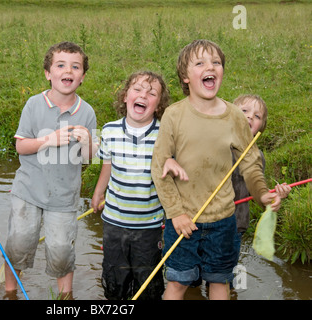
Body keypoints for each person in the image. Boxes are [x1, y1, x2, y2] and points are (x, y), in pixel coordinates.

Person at [151, 39, 281, 300]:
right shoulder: (174, 115)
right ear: (186, 77)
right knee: (177, 283)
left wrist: (263, 193)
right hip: (183, 222)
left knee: (219, 283)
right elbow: (159, 167)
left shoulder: (234, 116)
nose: (210, 67)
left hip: (224, 222)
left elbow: (250, 163)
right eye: (200, 63)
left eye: (216, 62)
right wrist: (176, 213)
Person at [4, 41, 98, 300]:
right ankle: (9, 292)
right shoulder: (34, 104)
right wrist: (49, 139)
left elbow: (90, 158)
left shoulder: (87, 112)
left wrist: (88, 142)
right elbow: (21, 147)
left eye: (75, 66)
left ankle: (65, 299)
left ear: (82, 76)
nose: (68, 71)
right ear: (48, 73)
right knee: (19, 242)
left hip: (64, 196)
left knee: (60, 250)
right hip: (28, 191)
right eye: (60, 65)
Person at [91, 71, 169, 300]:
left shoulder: (164, 134)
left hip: (150, 224)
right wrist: (98, 192)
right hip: (114, 221)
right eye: (137, 89)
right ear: (126, 96)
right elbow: (107, 166)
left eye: (151, 93)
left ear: (158, 105)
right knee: (115, 279)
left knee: (148, 282)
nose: (143, 95)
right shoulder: (109, 130)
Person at [232, 94, 291, 235]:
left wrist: (272, 197)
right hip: (202, 221)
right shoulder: (215, 143)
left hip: (235, 225)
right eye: (244, 111)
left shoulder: (258, 157)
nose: (250, 116)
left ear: (260, 128)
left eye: (257, 116)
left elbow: (255, 191)